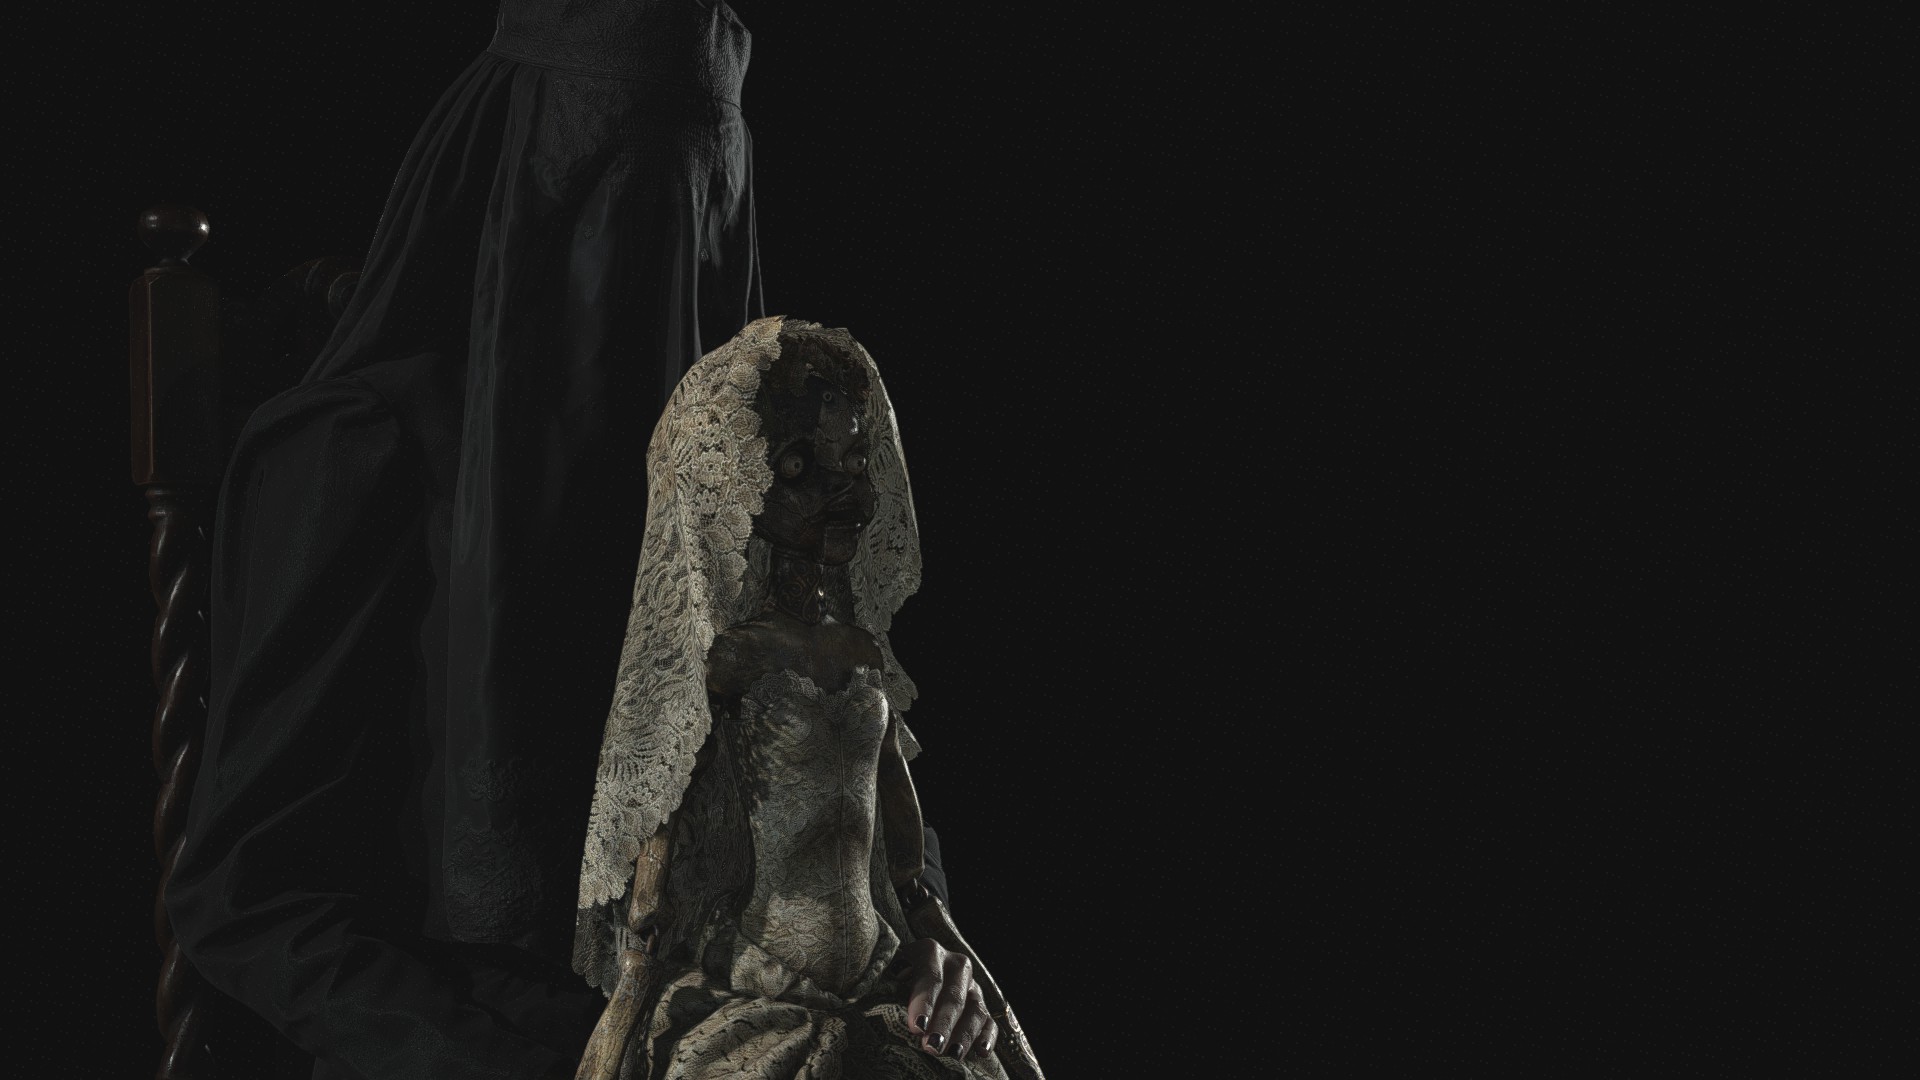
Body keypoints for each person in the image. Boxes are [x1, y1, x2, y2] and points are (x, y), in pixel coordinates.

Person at [165, 4, 953, 1078]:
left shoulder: (755, 482)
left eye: (700, 209)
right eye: (618, 194)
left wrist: (921, 935)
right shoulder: (360, 456)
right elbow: (250, 901)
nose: (661, 257)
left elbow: (842, 772)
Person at [568, 316, 1033, 1079]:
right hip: (758, 990)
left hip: (881, 977)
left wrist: (936, 935)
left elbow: (903, 851)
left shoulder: (859, 653)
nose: (847, 488)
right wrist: (628, 1002)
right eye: (800, 467)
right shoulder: (729, 664)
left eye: (852, 458)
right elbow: (654, 866)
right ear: (741, 481)